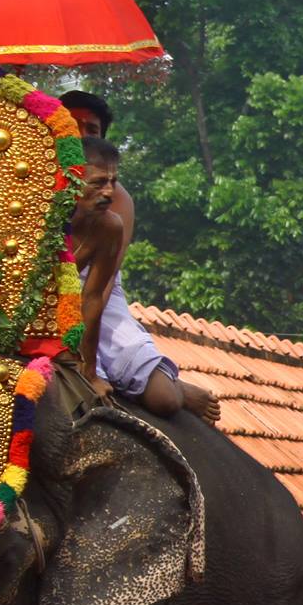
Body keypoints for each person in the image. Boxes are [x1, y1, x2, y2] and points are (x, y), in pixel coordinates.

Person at [65, 130, 220, 422]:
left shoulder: (110, 225)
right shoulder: (38, 219)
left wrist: (88, 371)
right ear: (69, 179)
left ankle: (175, 385)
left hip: (98, 311)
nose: (109, 192)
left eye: (113, 181)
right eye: (98, 183)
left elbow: (94, 298)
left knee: (165, 399)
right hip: (43, 315)